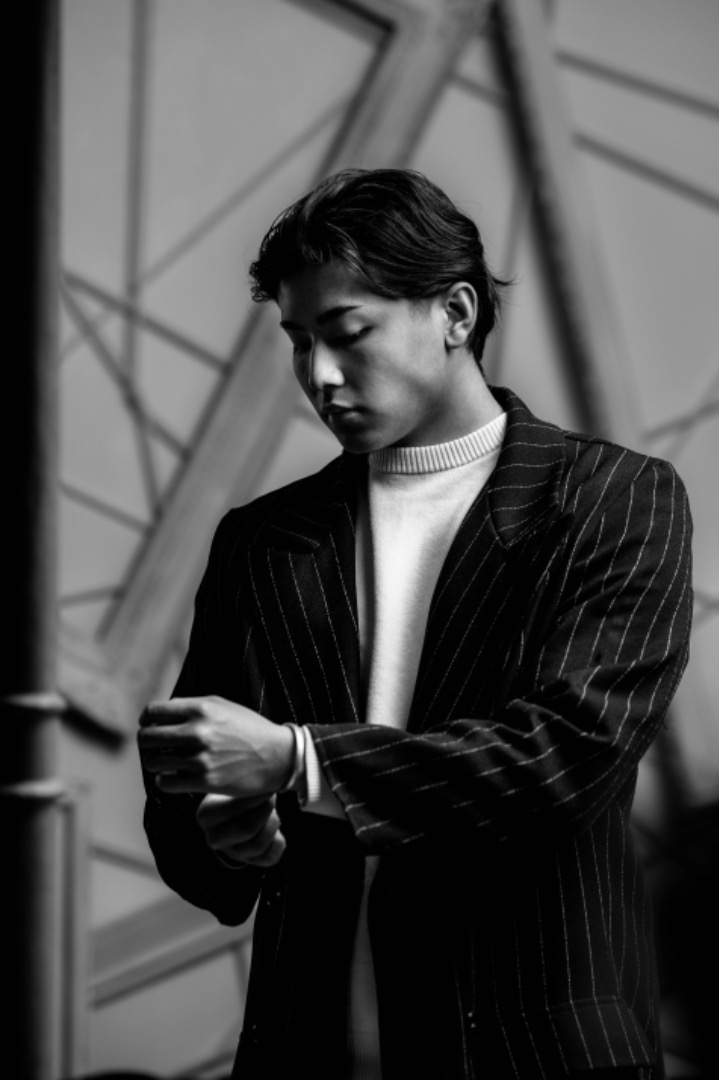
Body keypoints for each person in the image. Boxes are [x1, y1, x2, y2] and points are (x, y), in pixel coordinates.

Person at [138, 169, 693, 1080]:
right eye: (298, 341)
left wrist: (296, 760)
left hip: (534, 1057)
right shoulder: (263, 540)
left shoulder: (612, 498)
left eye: (347, 332)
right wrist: (222, 833)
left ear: (455, 313)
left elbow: (564, 756)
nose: (318, 375)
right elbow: (194, 797)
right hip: (304, 1054)